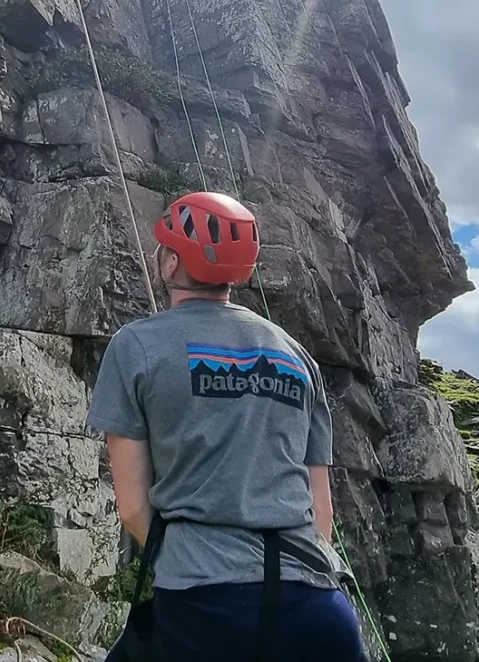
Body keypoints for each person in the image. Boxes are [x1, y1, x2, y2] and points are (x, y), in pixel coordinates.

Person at [87, 192, 366, 661]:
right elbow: (322, 515)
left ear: (172, 263)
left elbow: (134, 508)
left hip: (206, 608)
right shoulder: (298, 357)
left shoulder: (136, 346)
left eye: (163, 248)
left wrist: (184, 561)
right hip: (319, 609)